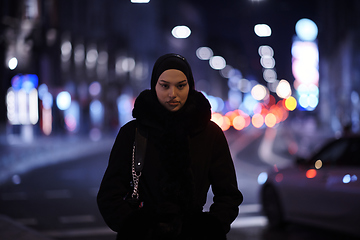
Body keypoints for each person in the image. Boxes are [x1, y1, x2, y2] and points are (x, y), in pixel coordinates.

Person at [97, 53, 243, 240]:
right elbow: (109, 195)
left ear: (190, 86)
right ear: (154, 86)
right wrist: (135, 228)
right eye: (164, 86)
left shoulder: (210, 133)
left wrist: (209, 228)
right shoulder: (132, 133)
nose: (172, 94)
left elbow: (228, 194)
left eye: (180, 86)